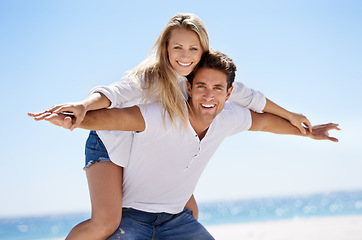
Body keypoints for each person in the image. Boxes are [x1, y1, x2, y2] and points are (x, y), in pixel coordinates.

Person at [29, 13, 312, 239]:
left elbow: (254, 100)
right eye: (177, 47)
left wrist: (292, 115)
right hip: (110, 140)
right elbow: (113, 93)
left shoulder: (205, 79)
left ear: (203, 49)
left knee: (190, 212)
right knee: (106, 222)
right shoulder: (151, 77)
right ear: (165, 47)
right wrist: (83, 106)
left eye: (193, 48)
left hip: (148, 148)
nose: (184, 55)